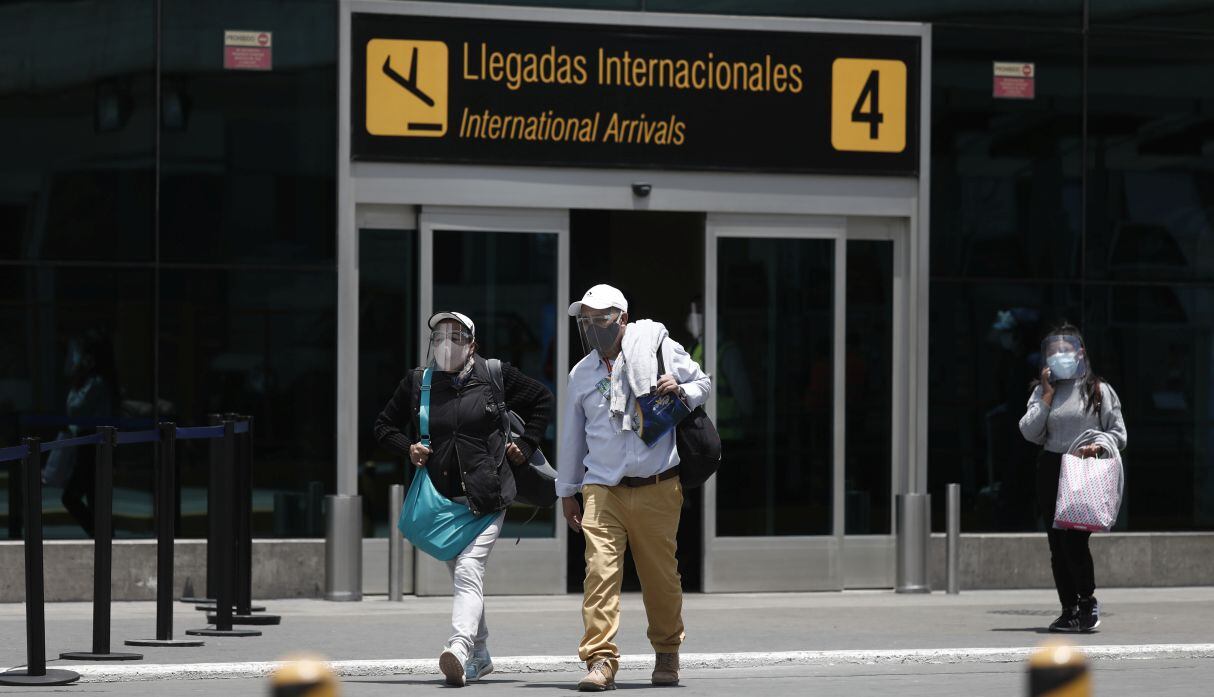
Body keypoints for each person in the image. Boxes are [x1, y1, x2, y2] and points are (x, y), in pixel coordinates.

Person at [373, 311, 553, 686]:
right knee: (464, 578)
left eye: (455, 336)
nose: (445, 344)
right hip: (443, 501)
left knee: (469, 571)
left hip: (488, 497)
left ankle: (458, 646)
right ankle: (482, 655)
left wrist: (526, 442)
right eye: (438, 337)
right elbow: (382, 426)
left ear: (472, 344)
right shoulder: (418, 383)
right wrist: (407, 448)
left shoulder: (494, 375)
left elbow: (542, 399)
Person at [558, 284, 711, 691]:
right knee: (599, 574)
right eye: (584, 320)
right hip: (601, 489)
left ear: (622, 319)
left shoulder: (660, 348)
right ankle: (601, 659)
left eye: (600, 319)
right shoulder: (582, 373)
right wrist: (566, 491)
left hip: (658, 485)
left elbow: (704, 384)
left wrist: (680, 389)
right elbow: (573, 437)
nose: (591, 328)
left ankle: (666, 652)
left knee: (660, 577)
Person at [1018, 325, 1127, 633]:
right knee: (1056, 544)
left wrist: (1095, 446)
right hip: (1052, 466)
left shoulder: (1098, 390)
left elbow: (1119, 434)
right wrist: (1047, 397)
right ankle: (1068, 608)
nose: (1059, 357)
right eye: (1053, 352)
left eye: (1065, 351)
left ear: (1080, 353)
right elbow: (1029, 431)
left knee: (1074, 540)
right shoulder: (1044, 390)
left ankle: (1087, 601)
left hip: (1083, 467)